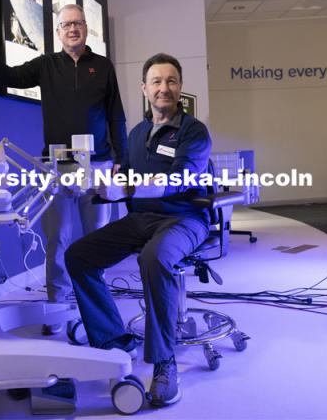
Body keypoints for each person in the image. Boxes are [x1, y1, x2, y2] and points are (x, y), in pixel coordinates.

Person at [65, 53, 212, 407]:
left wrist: (129, 188)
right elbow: (126, 179)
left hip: (185, 218)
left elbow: (182, 178)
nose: (164, 88)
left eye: (171, 81)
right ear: (144, 88)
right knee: (79, 256)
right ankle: (112, 340)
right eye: (157, 81)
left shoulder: (193, 131)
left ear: (180, 88)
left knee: (154, 257)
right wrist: (100, 185)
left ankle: (164, 362)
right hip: (141, 218)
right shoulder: (137, 134)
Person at [0, 5, 127, 334]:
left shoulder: (102, 67)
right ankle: (57, 305)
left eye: (77, 23)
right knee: (57, 239)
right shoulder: (46, 65)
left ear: (86, 29)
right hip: (55, 168)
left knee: (97, 239)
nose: (72, 29)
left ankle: (97, 304)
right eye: (66, 25)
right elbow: (11, 76)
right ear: (58, 32)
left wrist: (123, 159)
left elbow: (116, 114)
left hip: (99, 164)